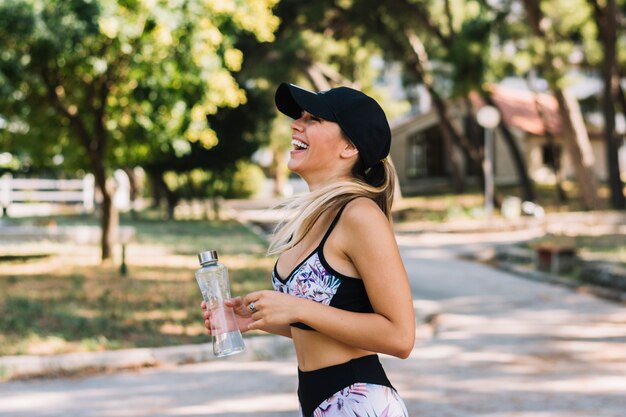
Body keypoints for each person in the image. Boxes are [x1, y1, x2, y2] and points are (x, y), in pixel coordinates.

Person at [202, 82, 415, 417]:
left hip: (357, 401)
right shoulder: (314, 218)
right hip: (317, 401)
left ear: (349, 147)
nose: (295, 124)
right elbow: (322, 325)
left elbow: (400, 337)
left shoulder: (359, 215)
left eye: (313, 118)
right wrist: (254, 319)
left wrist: (297, 308)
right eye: (298, 117)